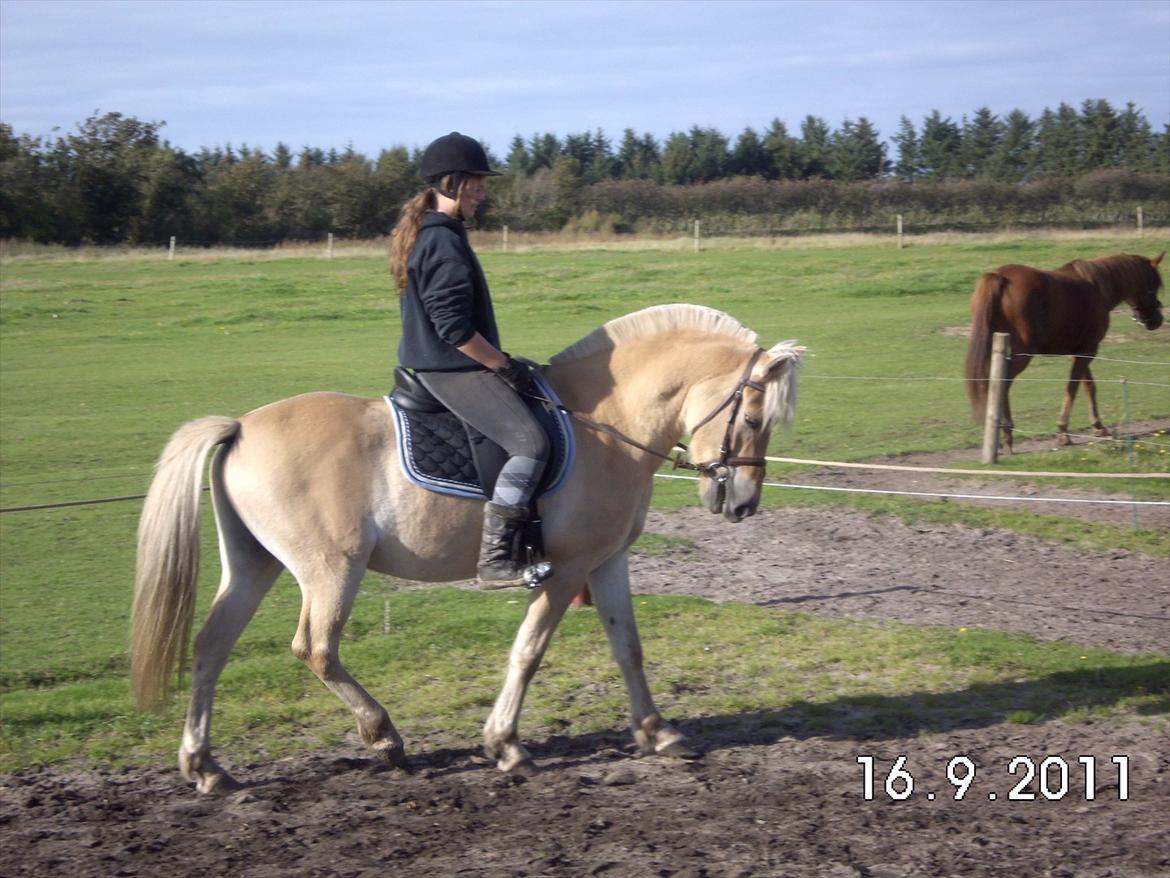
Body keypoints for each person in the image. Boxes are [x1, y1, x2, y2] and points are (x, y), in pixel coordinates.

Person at [390, 132, 551, 588]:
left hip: (442, 364)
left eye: (483, 184)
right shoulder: (442, 241)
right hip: (451, 369)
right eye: (476, 184)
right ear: (450, 182)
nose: (483, 192)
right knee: (530, 443)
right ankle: (496, 560)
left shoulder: (431, 231)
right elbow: (454, 329)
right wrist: (501, 365)